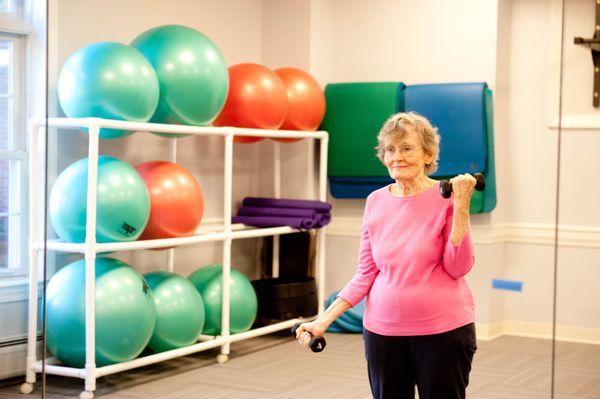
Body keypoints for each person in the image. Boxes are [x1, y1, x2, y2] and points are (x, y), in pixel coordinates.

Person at [295, 112, 478, 399]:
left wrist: (462, 204)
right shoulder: (376, 201)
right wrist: (322, 320)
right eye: (390, 149)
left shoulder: (448, 196)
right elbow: (365, 273)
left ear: (429, 155)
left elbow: (459, 266)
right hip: (383, 333)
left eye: (407, 148)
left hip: (443, 331)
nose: (397, 157)